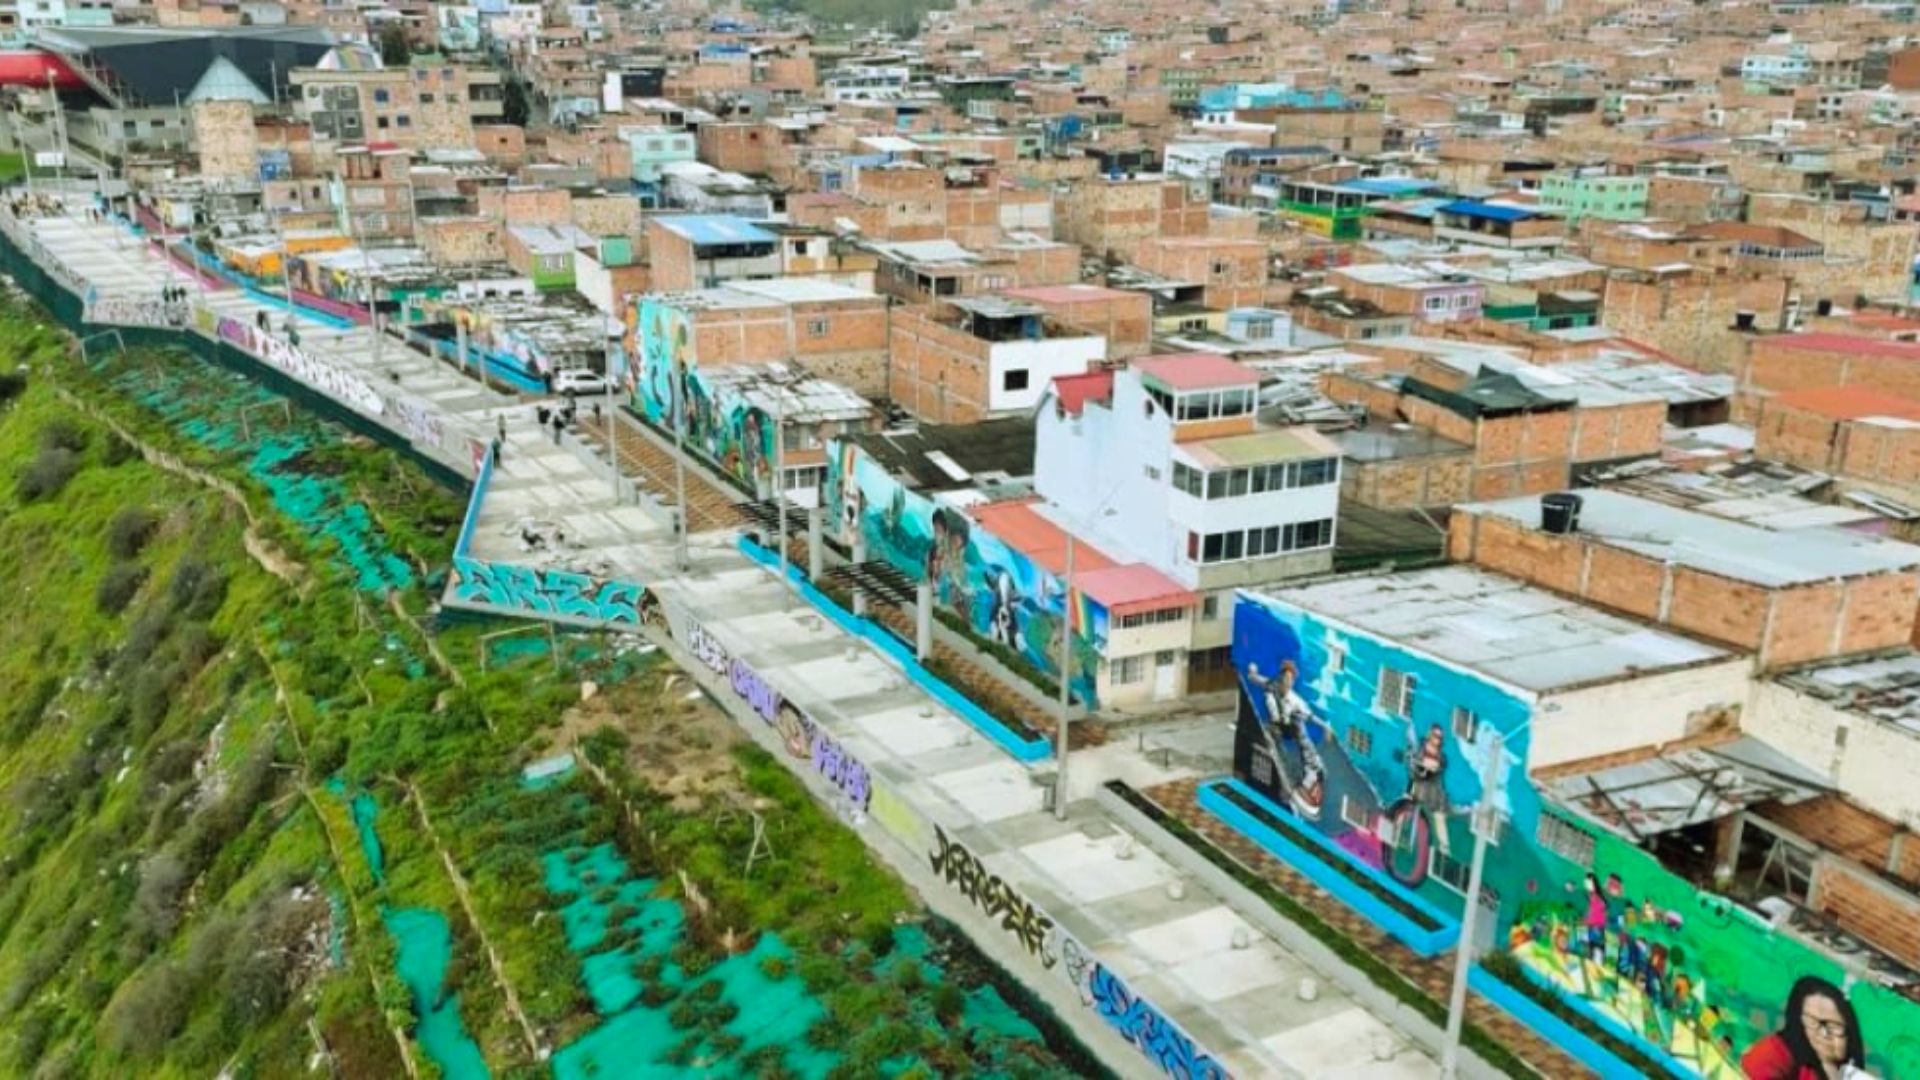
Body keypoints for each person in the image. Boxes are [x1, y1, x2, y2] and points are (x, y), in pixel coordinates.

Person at [1244, 659, 1326, 819]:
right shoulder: (1271, 685)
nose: (1287, 683)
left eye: (1290, 680)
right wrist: (1252, 672)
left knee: (1298, 721)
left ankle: (1311, 768)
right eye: (1285, 679)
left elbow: (1311, 717)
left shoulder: (1295, 700)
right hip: (1275, 726)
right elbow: (1254, 679)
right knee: (1271, 731)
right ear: (1281, 678)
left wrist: (1325, 727)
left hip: (1288, 726)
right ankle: (1282, 759)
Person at [1740, 976, 1866, 1080]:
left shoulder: (1851, 1073)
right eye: (1812, 1021)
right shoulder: (1774, 1052)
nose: (1823, 1033)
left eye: (1834, 1026)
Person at [1405, 724, 1452, 858]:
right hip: (1418, 787)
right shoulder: (1420, 747)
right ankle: (1400, 835)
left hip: (1434, 792)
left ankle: (1444, 851)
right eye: (1435, 735)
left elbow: (1439, 767)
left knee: (1439, 817)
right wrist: (1420, 762)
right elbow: (1412, 760)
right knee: (1408, 811)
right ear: (1430, 734)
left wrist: (1430, 765)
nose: (1437, 739)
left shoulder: (1442, 756)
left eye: (1440, 737)